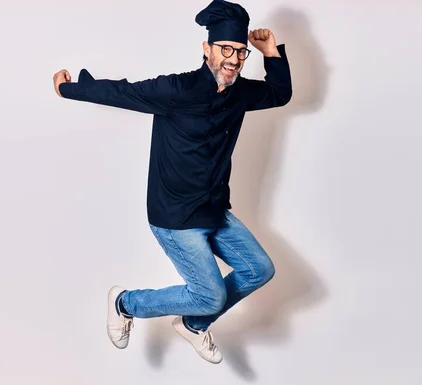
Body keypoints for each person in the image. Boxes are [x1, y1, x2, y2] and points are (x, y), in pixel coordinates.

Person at [52, 0, 292, 364]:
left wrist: (271, 53)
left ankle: (195, 323)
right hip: (174, 216)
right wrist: (67, 89)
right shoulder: (175, 90)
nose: (233, 59)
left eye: (241, 53)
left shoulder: (241, 93)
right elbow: (121, 92)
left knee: (259, 269)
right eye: (225, 49)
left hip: (214, 209)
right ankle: (125, 303)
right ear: (206, 49)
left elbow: (279, 94)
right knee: (210, 294)